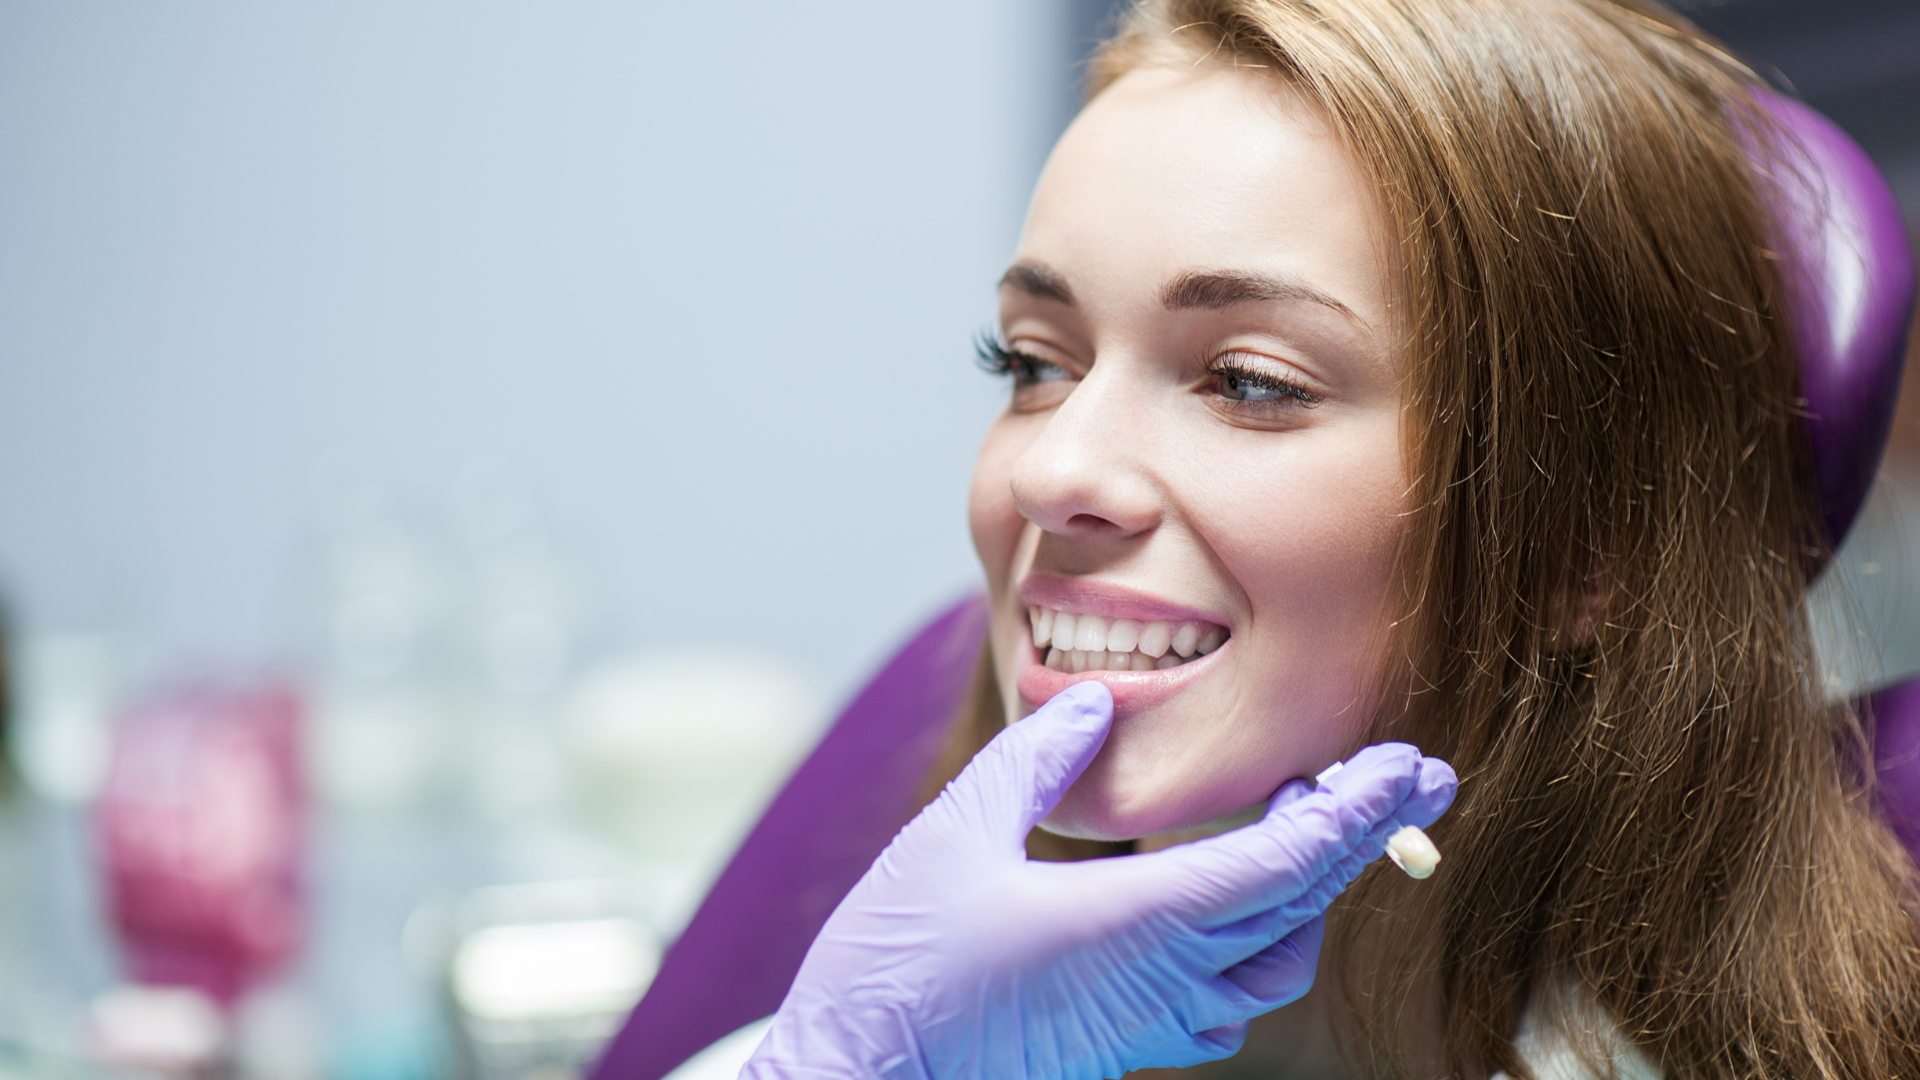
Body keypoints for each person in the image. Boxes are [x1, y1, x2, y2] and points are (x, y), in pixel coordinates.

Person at [737, 1, 1920, 1077]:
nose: (1049, 474)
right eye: (1036, 362)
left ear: (1585, 549)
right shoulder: (905, 1026)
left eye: (1248, 382)